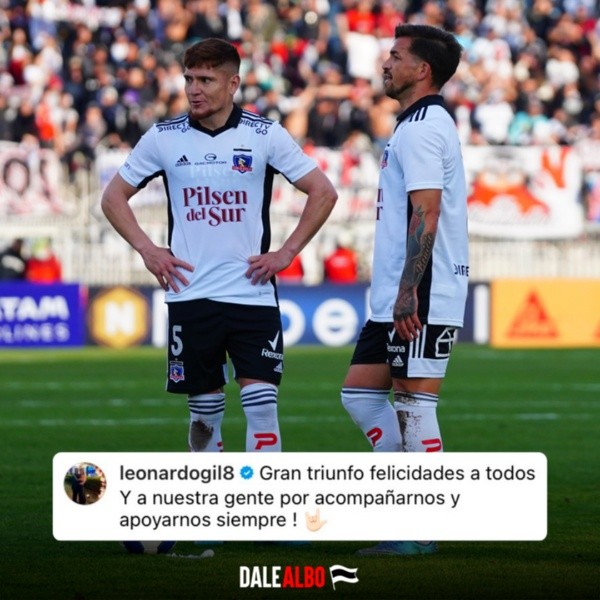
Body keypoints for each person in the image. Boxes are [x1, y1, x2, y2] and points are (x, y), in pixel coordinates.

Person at [101, 38, 337, 454]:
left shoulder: (264, 134)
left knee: (262, 408)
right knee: (204, 416)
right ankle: (213, 493)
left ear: (233, 84)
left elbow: (323, 191)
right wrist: (147, 249)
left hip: (252, 292)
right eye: (189, 79)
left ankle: (261, 494)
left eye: (206, 80)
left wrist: (286, 253)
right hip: (191, 294)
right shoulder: (163, 138)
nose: (194, 89)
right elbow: (112, 197)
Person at [340, 24, 468, 556]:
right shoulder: (414, 125)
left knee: (414, 404)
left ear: (423, 69)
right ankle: (405, 497)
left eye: (395, 55)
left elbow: (427, 211)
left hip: (421, 291)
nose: (385, 64)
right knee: (360, 394)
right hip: (397, 292)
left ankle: (418, 531)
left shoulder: (422, 128)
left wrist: (410, 289)